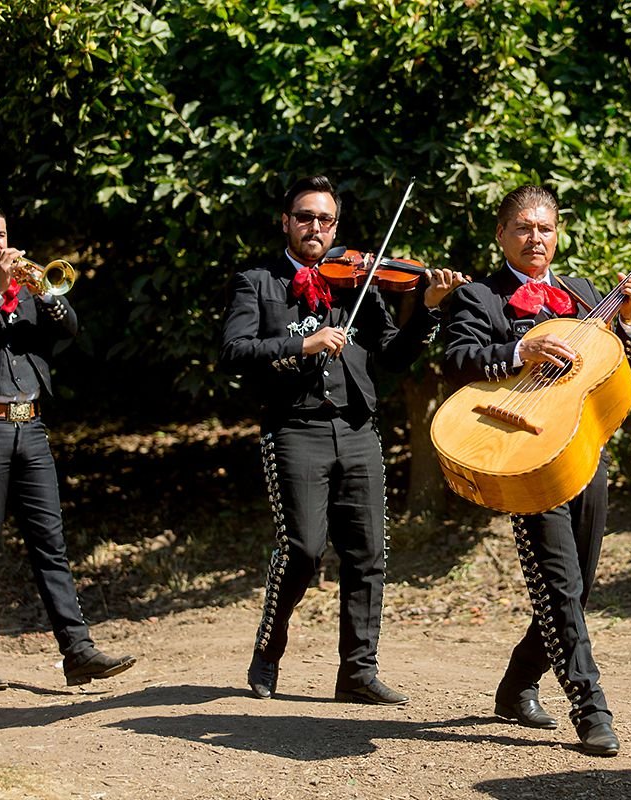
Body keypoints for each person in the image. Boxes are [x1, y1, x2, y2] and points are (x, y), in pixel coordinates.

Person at [220, 175, 466, 704]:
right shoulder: (256, 281)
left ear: (336, 226)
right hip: (294, 428)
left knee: (368, 553)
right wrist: (303, 344)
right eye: (305, 217)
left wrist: (428, 306)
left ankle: (357, 671)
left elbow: (392, 355)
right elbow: (235, 353)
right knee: (304, 550)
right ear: (285, 221)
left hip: (357, 428)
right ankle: (270, 646)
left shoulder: (359, 281)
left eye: (325, 220)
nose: (315, 227)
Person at [441, 184, 631, 756]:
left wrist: (628, 323)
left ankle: (517, 683)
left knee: (577, 588)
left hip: (583, 453)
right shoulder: (478, 297)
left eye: (546, 228)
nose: (537, 238)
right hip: (522, 454)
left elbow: (627, 367)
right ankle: (591, 707)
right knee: (558, 585)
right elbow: (456, 358)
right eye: (524, 227)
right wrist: (518, 354)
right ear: (501, 234)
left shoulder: (584, 295)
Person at [0, 198, 136, 689]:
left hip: (30, 425)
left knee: (51, 543)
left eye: (2, 234)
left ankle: (77, 651)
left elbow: (70, 328)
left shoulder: (27, 285)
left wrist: (44, 290)